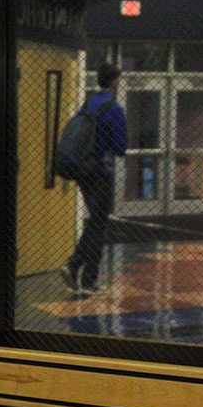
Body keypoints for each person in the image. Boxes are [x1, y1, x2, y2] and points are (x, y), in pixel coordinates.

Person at [59, 62, 128, 296]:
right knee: (98, 224)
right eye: (119, 79)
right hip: (102, 173)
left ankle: (84, 275)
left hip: (84, 171)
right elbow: (121, 147)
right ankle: (79, 269)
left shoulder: (89, 103)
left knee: (96, 223)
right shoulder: (114, 109)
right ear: (114, 81)